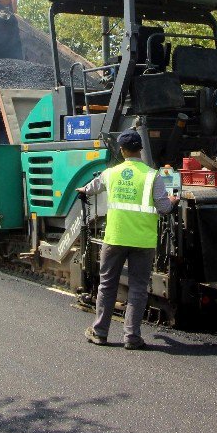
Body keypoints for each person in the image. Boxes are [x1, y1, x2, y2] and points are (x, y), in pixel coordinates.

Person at [77, 129, 178, 350]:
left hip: (115, 238)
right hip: (143, 241)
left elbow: (91, 188)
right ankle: (132, 337)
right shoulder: (152, 176)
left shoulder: (110, 173)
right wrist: (172, 200)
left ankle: (99, 333)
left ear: (122, 151)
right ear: (140, 149)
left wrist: (83, 189)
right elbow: (164, 208)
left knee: (107, 285)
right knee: (138, 288)